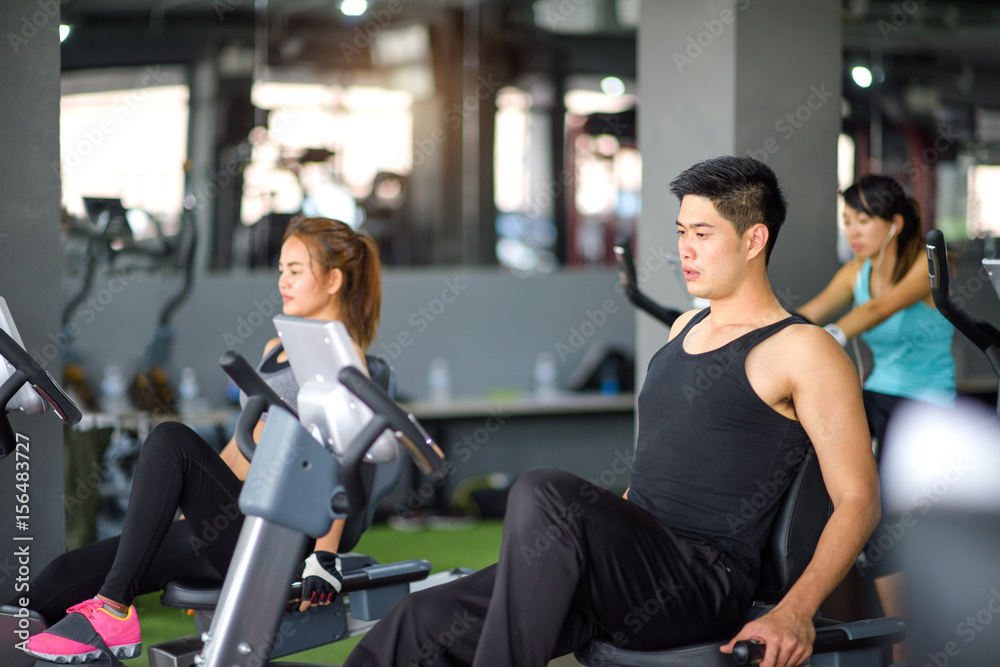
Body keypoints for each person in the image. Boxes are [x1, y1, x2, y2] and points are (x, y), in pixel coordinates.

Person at [342, 156, 880, 667]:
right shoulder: (683, 330)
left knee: (542, 490)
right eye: (680, 232)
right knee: (421, 621)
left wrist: (795, 611)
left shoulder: (803, 349)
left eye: (702, 234)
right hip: (628, 569)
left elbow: (858, 499)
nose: (684, 250)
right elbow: (655, 474)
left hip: (699, 582)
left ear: (754, 239)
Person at [13, 216, 382, 665]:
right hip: (236, 523)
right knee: (56, 582)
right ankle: (96, 626)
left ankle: (113, 608)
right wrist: (190, 500)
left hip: (288, 540)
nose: (282, 280)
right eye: (281, 268)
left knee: (170, 438)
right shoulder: (277, 346)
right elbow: (244, 447)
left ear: (333, 280)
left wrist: (324, 556)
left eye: (296, 270)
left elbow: (340, 461)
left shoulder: (343, 357)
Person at [798, 174, 955, 662]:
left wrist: (835, 334)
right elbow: (809, 313)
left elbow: (883, 307)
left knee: (888, 521)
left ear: (895, 223)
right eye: (846, 220)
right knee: (819, 479)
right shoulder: (856, 271)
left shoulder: (927, 264)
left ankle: (908, 651)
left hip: (925, 405)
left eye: (863, 220)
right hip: (875, 396)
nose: (853, 231)